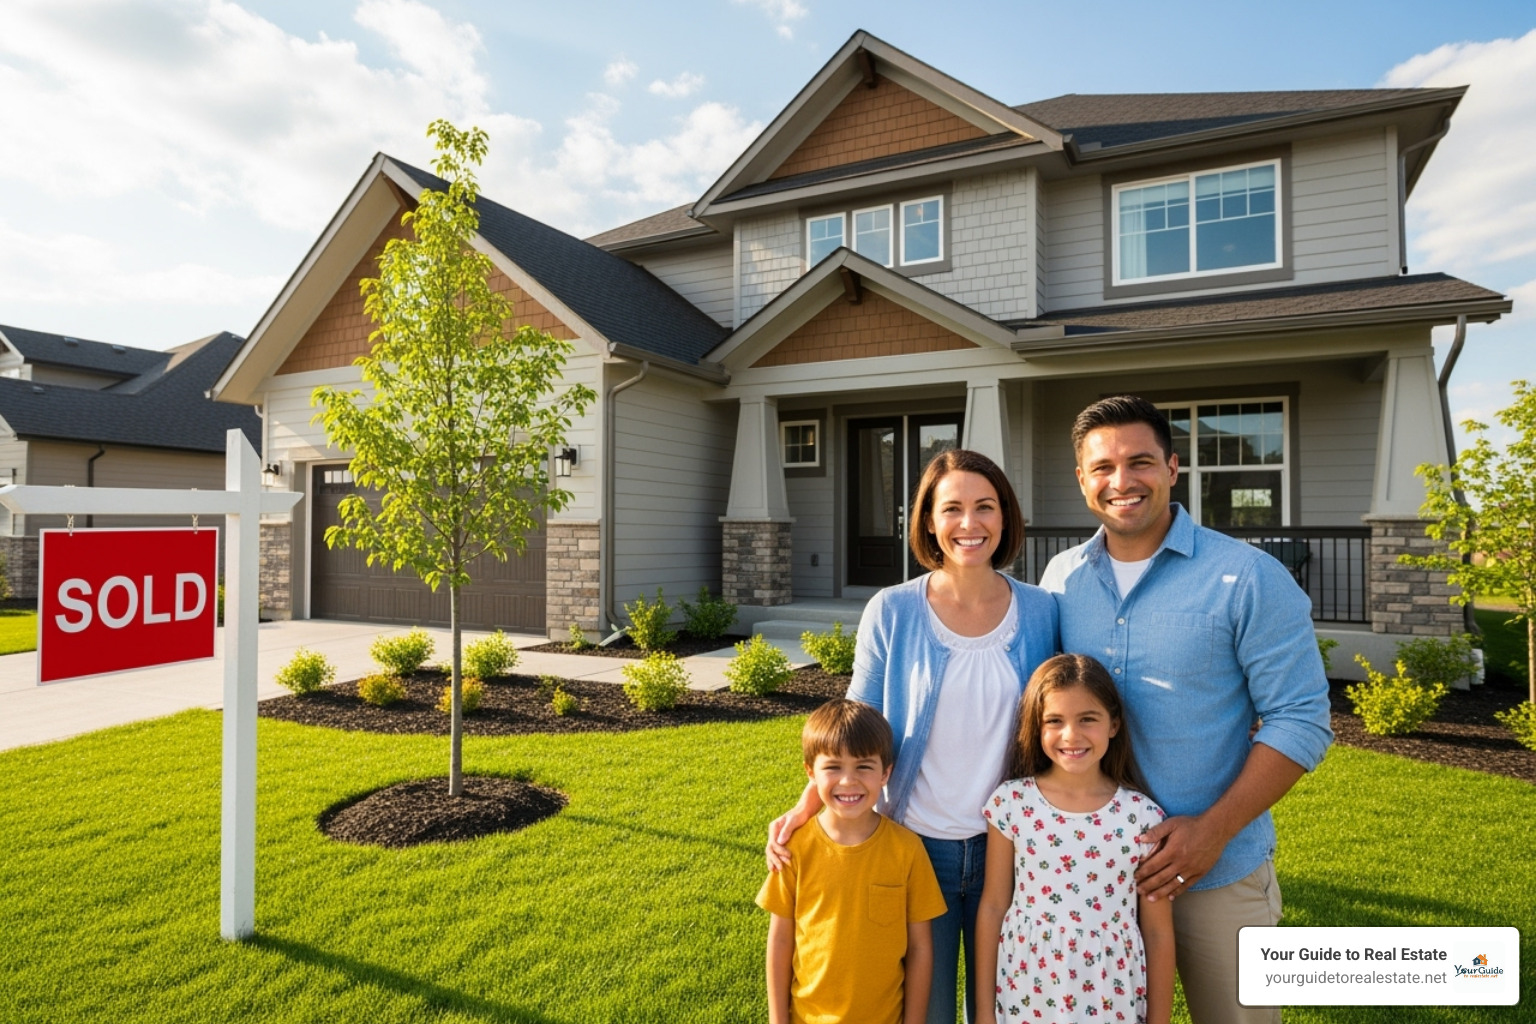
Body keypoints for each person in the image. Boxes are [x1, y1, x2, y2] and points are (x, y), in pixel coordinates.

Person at [1039, 396, 1332, 1024]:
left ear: (1173, 468)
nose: (1122, 482)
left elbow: (1301, 718)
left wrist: (1213, 830)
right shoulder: (1060, 579)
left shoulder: (1248, 577)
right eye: (1103, 468)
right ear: (1083, 481)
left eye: (1140, 461)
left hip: (1215, 875)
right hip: (1086, 876)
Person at [768, 449, 1060, 1023]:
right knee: (922, 1011)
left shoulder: (1043, 610)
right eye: (951, 508)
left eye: (985, 507)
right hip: (915, 845)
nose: (969, 524)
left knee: (1004, 1008)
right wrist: (805, 805)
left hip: (1013, 852)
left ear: (1005, 517)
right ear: (928, 520)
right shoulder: (893, 610)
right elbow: (857, 720)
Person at [974, 653, 1174, 1024]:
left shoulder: (1142, 818)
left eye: (1088, 719)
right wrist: (984, 1013)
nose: (1071, 735)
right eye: (1054, 721)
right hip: (1027, 989)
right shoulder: (1013, 804)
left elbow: (1158, 931)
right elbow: (992, 906)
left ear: (1113, 724)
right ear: (1036, 726)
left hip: (1108, 993)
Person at [757, 698, 948, 1024]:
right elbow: (780, 940)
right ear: (810, 772)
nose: (848, 781)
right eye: (833, 767)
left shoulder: (907, 850)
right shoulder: (794, 850)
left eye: (864, 766)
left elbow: (919, 949)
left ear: (885, 773)